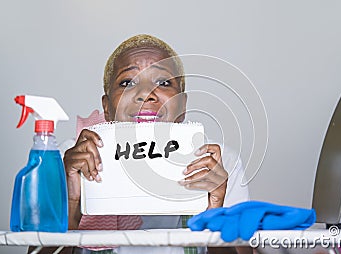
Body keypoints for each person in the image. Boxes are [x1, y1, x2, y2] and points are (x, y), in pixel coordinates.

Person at [63, 34, 251, 254]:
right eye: (127, 82)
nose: (146, 94)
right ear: (107, 107)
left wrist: (215, 212)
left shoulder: (218, 163)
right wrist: (70, 202)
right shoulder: (71, 161)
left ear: (182, 105)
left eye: (163, 82)